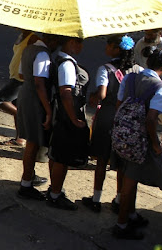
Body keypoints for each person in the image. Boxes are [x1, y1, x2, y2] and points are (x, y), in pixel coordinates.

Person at [113, 46, 162, 240]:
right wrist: (156, 144)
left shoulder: (130, 78)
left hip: (121, 135)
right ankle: (121, 225)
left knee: (127, 175)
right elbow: (150, 120)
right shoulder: (160, 88)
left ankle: (130, 214)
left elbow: (119, 103)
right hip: (139, 141)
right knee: (130, 181)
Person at [82, 35, 141, 213]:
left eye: (109, 44)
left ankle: (96, 198)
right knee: (122, 163)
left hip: (108, 116)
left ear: (116, 49)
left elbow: (102, 94)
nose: (106, 47)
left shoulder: (105, 69)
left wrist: (93, 96)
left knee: (101, 159)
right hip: (128, 120)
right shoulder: (138, 70)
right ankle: (119, 199)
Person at [46, 36, 89, 210]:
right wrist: (74, 119)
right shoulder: (67, 64)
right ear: (71, 42)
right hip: (66, 115)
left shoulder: (60, 59)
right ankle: (56, 194)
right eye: (79, 42)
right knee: (62, 157)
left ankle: (54, 189)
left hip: (60, 113)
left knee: (56, 154)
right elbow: (66, 92)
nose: (81, 46)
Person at [16, 33, 58, 201]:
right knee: (33, 143)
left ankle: (27, 179)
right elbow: (40, 83)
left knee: (31, 143)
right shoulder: (42, 53)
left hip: (25, 94)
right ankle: (26, 183)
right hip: (35, 100)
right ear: (51, 40)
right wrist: (48, 111)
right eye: (57, 42)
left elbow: (20, 75)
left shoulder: (28, 49)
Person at [133, 29, 162, 148]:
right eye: (146, 34)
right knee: (146, 112)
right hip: (146, 82)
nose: (147, 37)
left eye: (151, 34)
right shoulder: (140, 45)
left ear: (159, 34)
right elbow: (137, 65)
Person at [0, 30, 37, 147]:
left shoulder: (33, 38)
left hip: (20, 79)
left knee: (0, 100)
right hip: (15, 76)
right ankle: (20, 139)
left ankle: (23, 118)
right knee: (17, 106)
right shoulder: (23, 35)